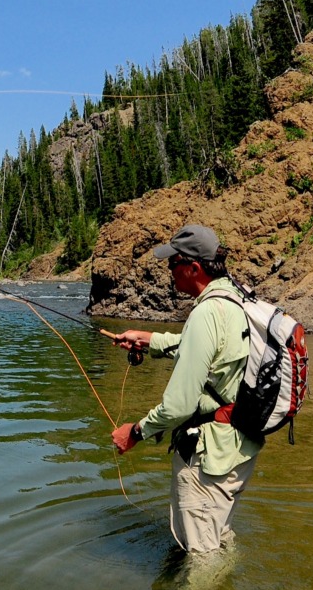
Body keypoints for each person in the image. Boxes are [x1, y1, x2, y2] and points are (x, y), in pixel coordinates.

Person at [109, 224, 262, 554]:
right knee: (217, 539)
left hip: (209, 457)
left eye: (173, 263)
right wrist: (148, 339)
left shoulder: (207, 311)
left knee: (200, 558)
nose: (169, 270)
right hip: (238, 446)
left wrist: (134, 433)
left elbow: (177, 407)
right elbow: (211, 350)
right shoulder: (236, 297)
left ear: (193, 268)